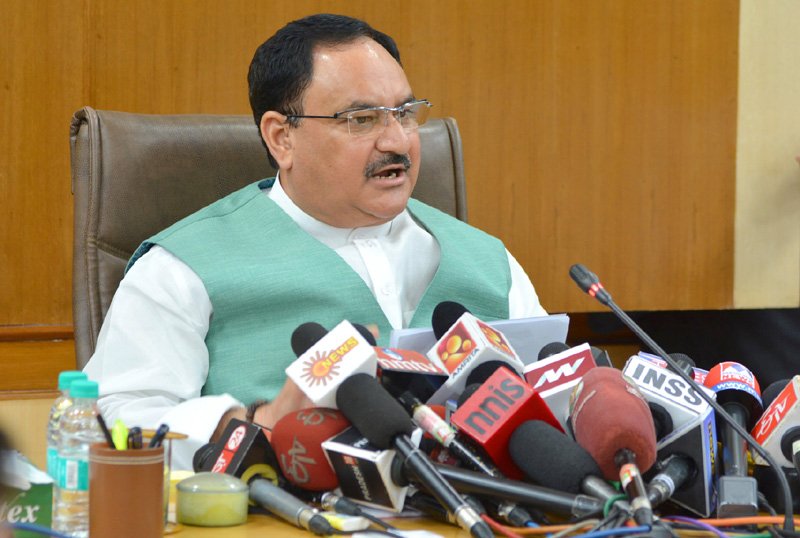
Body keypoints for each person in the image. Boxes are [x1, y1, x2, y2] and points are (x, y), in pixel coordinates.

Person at [83, 14, 547, 470]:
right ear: (281, 138)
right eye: (362, 119)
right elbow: (111, 422)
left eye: (405, 114)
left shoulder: (490, 261)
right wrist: (255, 424)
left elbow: (551, 403)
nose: (397, 142)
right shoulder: (182, 267)